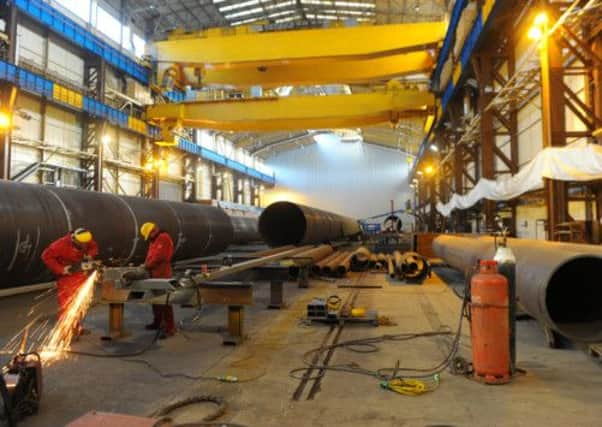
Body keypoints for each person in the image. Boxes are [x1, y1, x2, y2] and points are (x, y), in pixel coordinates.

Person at [41, 228, 99, 331]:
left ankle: (76, 327)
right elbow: (46, 256)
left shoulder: (85, 237)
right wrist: (61, 269)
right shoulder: (59, 245)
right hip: (67, 276)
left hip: (81, 273)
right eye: (81, 243)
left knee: (81, 301)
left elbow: (93, 247)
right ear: (74, 239)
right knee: (67, 303)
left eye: (85, 243)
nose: (83, 245)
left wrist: (90, 255)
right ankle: (65, 330)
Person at [139, 222, 176, 338]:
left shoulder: (163, 238)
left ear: (153, 231)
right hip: (154, 273)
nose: (149, 238)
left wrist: (146, 266)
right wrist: (145, 265)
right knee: (155, 300)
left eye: (149, 235)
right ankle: (158, 322)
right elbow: (150, 256)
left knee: (164, 301)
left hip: (162, 274)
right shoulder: (154, 240)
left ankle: (170, 328)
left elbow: (160, 257)